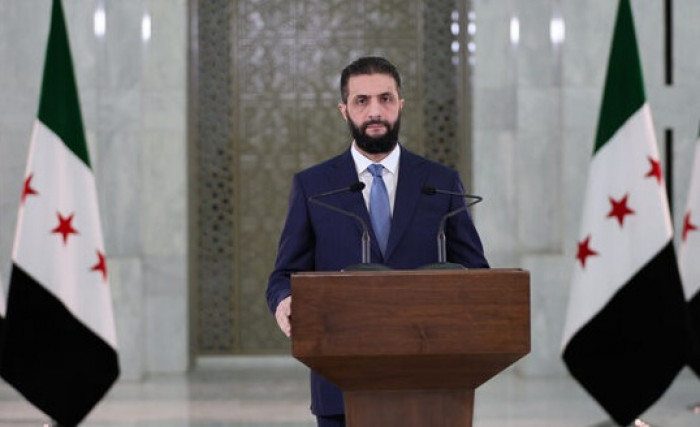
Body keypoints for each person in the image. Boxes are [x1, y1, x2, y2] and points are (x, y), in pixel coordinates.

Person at [265, 56, 489, 427]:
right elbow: (283, 276)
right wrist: (284, 300)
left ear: (400, 104)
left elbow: (476, 271)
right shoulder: (313, 186)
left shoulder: (441, 181)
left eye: (385, 99)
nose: (375, 111)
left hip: (432, 386)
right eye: (361, 101)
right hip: (341, 385)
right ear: (344, 110)